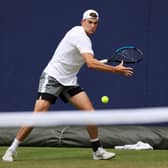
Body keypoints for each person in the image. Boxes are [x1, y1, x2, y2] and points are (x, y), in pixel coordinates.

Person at [2, 9, 133, 162]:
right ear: (82, 22)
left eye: (95, 23)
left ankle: (97, 150)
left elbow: (89, 59)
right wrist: (115, 70)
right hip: (53, 77)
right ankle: (11, 150)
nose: (92, 26)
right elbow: (90, 63)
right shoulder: (79, 35)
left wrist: (100, 63)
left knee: (90, 113)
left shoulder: (84, 39)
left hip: (69, 80)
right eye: (89, 22)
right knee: (38, 115)